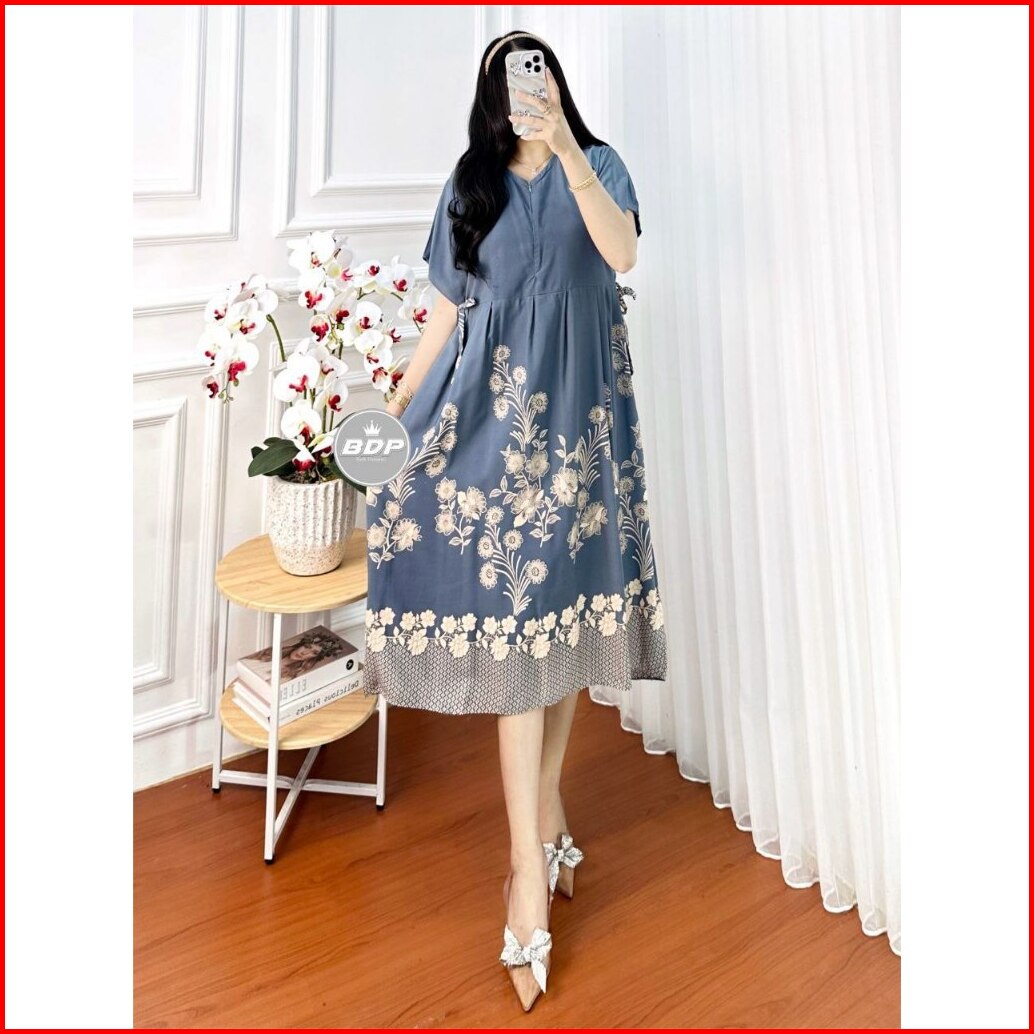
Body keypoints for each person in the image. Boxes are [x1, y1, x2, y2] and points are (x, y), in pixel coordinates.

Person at [362, 30, 668, 1011]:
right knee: (515, 636)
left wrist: (569, 150)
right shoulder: (471, 184)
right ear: (489, 97)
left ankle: (546, 805)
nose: (523, 93)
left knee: (562, 628)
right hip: (493, 430)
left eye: (536, 75)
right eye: (507, 80)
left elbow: (621, 252)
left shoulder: (600, 164)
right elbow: (444, 317)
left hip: (581, 431)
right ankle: (525, 868)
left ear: (556, 86)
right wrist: (392, 412)